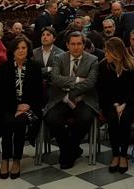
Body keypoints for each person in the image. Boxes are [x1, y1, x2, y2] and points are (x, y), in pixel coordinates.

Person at [44, 31, 99, 169]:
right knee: (51, 118)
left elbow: (90, 83)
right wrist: (78, 79)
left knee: (86, 118)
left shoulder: (93, 60)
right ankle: (69, 149)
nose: (76, 47)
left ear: (84, 44)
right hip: (61, 98)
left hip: (83, 98)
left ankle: (68, 150)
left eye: (79, 44)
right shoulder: (59, 58)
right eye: (73, 44)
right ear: (67, 45)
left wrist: (72, 93)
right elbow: (55, 79)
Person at [0, 36, 43, 179]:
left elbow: (39, 93)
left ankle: (16, 160)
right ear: (12, 51)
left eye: (24, 48)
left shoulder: (35, 67)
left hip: (29, 108)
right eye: (17, 48)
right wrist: (15, 106)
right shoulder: (5, 67)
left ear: (28, 50)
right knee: (7, 121)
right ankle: (5, 159)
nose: (20, 51)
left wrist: (25, 107)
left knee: (19, 122)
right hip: (6, 106)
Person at [97, 37, 134, 173]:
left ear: (116, 52)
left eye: (107, 52)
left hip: (130, 102)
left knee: (126, 120)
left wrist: (124, 105)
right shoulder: (103, 65)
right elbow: (102, 90)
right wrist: (115, 105)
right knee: (113, 119)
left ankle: (123, 155)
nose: (105, 55)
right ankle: (115, 154)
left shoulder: (133, 64)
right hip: (110, 102)